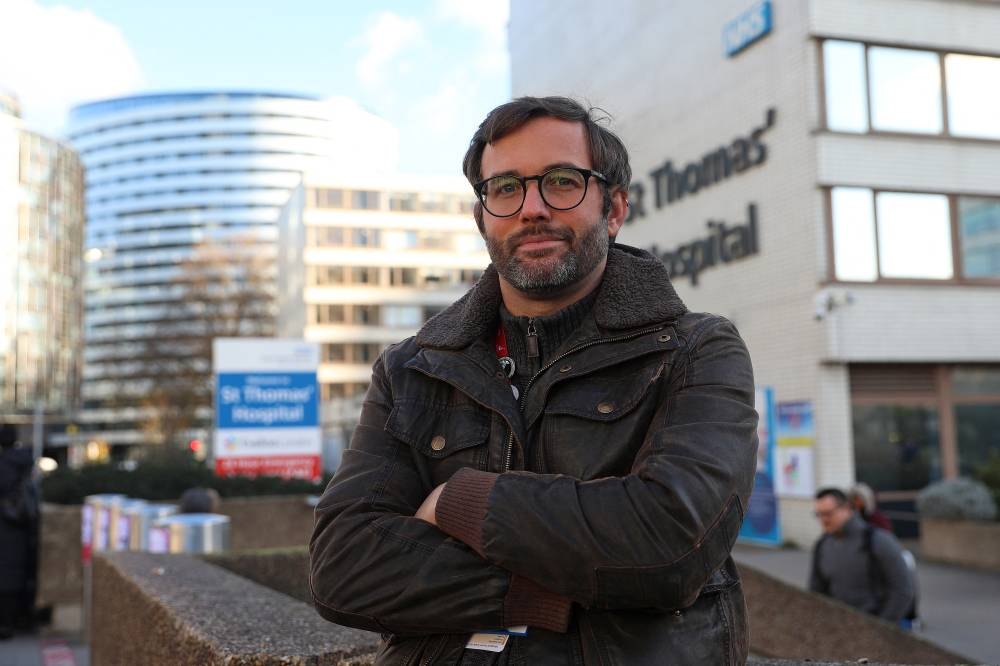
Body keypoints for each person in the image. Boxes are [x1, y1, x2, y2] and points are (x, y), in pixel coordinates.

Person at [309, 96, 758, 665]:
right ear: (482, 218)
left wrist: (459, 501)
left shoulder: (695, 350)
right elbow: (342, 567)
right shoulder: (412, 369)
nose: (533, 209)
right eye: (505, 188)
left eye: (562, 181)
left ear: (615, 208)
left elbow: (670, 543)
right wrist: (545, 591)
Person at [810, 487, 915, 627]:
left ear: (846, 508)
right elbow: (816, 593)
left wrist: (881, 627)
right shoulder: (822, 545)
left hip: (877, 630)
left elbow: (903, 589)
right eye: (819, 514)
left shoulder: (878, 541)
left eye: (828, 514)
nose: (823, 520)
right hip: (840, 630)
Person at [0, 422, 38, 639]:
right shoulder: (24, 461)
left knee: (5, 573)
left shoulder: (4, 465)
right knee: (17, 571)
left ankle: (5, 623)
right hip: (21, 523)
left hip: (5, 523)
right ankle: (16, 619)